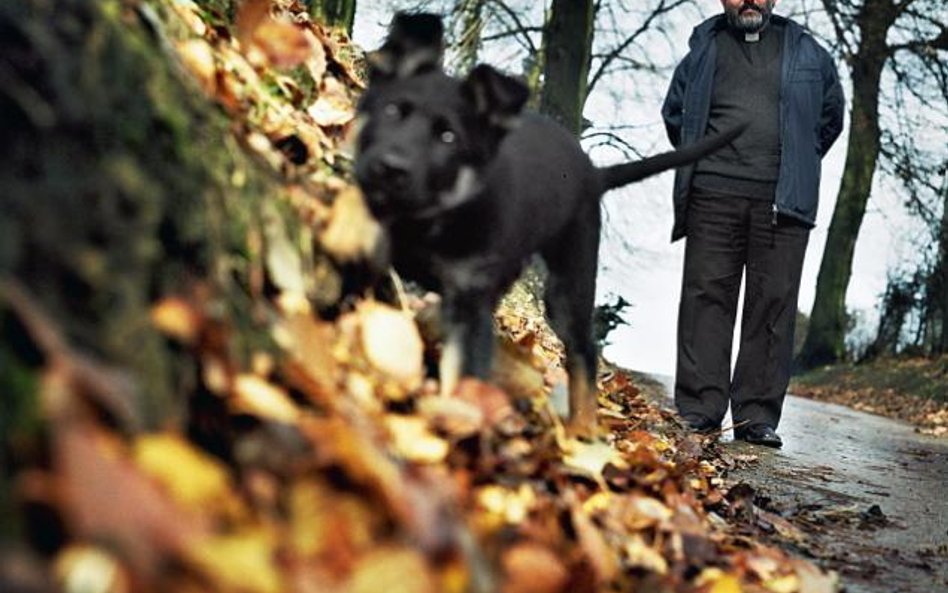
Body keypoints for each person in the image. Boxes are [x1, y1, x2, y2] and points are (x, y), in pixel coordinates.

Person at [661, 0, 844, 447]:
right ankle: (700, 410)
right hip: (712, 194)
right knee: (706, 299)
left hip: (783, 201)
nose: (750, 0)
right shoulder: (703, 49)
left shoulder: (809, 54)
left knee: (773, 304)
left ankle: (755, 417)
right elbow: (676, 114)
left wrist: (795, 160)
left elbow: (830, 118)